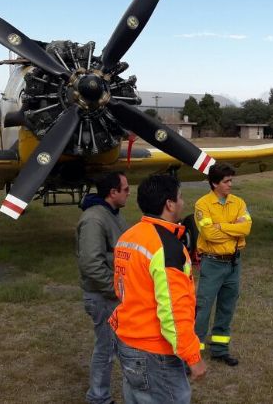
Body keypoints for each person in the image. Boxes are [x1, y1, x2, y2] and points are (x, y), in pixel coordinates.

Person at [109, 174, 207, 404]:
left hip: (127, 343)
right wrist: (193, 357)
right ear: (169, 204)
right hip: (154, 352)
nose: (183, 203)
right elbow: (173, 312)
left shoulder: (128, 236)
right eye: (180, 197)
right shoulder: (167, 248)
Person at [75, 171, 130, 404]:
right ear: (113, 192)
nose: (129, 193)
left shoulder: (113, 214)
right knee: (106, 348)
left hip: (112, 294)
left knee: (112, 346)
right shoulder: (94, 219)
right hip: (103, 297)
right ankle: (98, 397)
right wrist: (116, 290)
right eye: (125, 189)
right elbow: (91, 263)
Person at [194, 163, 252, 366]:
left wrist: (222, 227)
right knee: (203, 308)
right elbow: (209, 234)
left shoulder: (238, 202)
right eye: (227, 181)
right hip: (212, 263)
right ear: (214, 183)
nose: (230, 185)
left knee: (227, 307)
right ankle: (194, 352)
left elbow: (246, 228)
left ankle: (219, 350)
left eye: (231, 180)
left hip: (234, 264)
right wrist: (233, 228)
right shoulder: (203, 204)